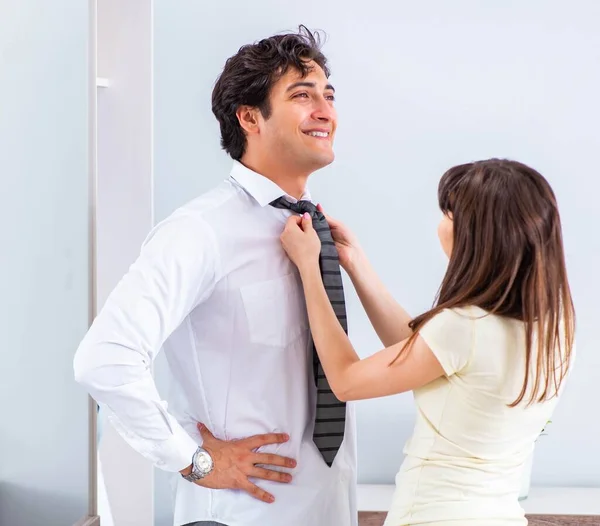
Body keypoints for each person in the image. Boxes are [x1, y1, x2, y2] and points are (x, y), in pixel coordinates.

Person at [74, 26, 358, 526]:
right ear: (249, 117)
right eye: (301, 95)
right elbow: (104, 358)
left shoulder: (314, 230)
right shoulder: (200, 230)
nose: (324, 111)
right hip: (238, 514)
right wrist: (192, 460)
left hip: (327, 507)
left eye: (328, 96)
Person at [280, 158, 576, 526]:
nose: (441, 224)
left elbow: (345, 380)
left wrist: (309, 269)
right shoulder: (554, 326)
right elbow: (423, 353)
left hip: (433, 516)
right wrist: (355, 264)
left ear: (474, 234)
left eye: (448, 214)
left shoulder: (462, 326)